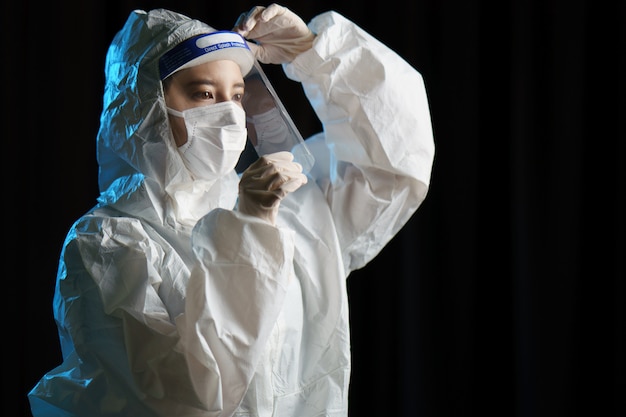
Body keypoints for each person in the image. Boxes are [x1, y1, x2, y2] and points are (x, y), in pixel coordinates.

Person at [28, 4, 435, 416]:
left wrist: (313, 52)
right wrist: (250, 232)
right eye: (204, 94)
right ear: (143, 106)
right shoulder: (107, 243)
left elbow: (397, 162)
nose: (228, 113)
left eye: (237, 95)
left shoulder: (287, 209)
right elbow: (183, 396)